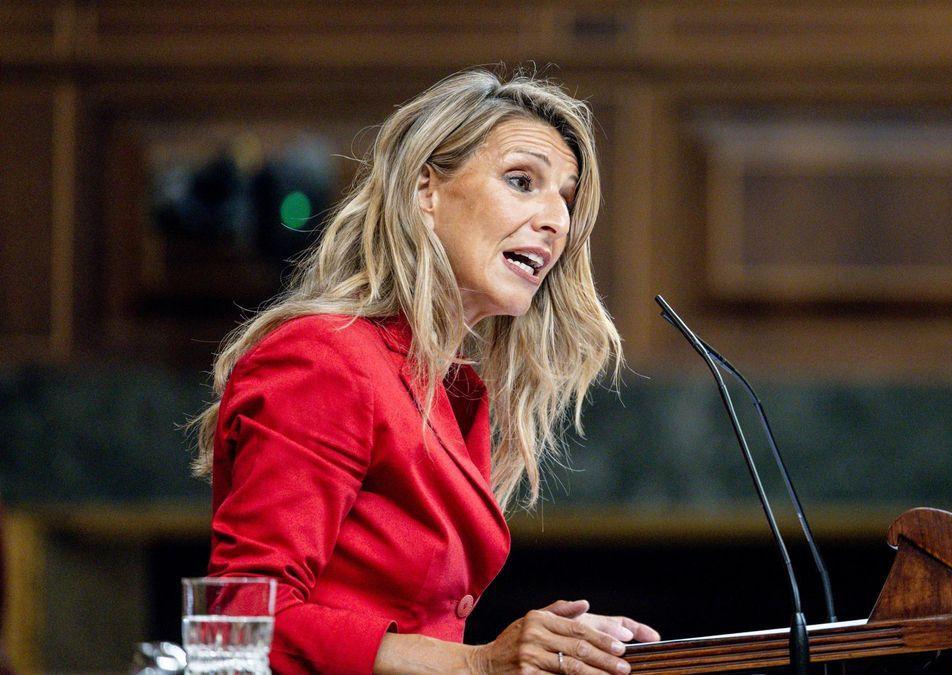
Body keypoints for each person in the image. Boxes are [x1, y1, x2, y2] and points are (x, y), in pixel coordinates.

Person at [190, 68, 659, 674]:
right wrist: (479, 664)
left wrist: (542, 654)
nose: (555, 221)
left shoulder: (452, 387)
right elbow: (239, 622)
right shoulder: (323, 358)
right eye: (522, 181)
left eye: (565, 200)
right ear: (424, 190)